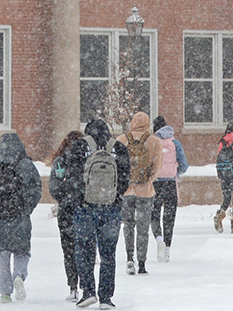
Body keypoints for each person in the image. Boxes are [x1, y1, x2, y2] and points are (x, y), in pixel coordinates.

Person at [59, 117, 130, 309]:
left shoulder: (80, 147)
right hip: (111, 208)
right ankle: (106, 296)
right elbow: (125, 178)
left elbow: (72, 178)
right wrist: (113, 196)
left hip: (85, 208)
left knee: (84, 250)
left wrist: (81, 198)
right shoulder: (119, 148)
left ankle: (88, 291)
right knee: (108, 254)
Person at [0, 132, 43, 303]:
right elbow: (36, 189)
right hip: (20, 217)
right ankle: (19, 276)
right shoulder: (26, 165)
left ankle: (5, 293)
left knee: (1, 257)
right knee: (22, 252)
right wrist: (26, 208)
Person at [47, 130, 89, 302]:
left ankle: (73, 286)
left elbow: (54, 187)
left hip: (66, 210)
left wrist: (65, 196)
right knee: (84, 248)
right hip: (85, 208)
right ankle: (86, 284)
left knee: (68, 249)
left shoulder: (61, 161)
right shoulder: (88, 159)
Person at [119, 111, 160, 276]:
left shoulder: (121, 140)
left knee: (128, 224)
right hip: (145, 190)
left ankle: (130, 258)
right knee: (143, 226)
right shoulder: (154, 141)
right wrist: (149, 179)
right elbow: (157, 166)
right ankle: (142, 262)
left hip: (126, 190)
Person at [151, 115, 187, 260]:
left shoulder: (152, 143)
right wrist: (175, 172)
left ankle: (159, 239)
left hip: (156, 183)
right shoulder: (175, 143)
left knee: (154, 214)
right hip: (171, 183)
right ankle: (167, 250)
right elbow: (184, 165)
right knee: (169, 217)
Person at [212, 123, 233, 234]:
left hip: (224, 174)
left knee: (226, 198)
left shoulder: (221, 143)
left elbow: (219, 157)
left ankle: (220, 214)